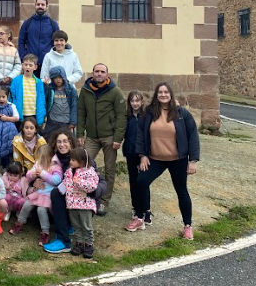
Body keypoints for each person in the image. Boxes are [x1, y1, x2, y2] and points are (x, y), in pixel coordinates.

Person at [126, 82, 200, 240]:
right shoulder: (150, 112)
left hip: (177, 159)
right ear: (156, 95)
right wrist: (142, 155)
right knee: (141, 181)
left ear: (171, 94)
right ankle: (140, 217)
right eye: (160, 92)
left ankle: (187, 225)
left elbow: (193, 136)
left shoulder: (181, 113)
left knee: (181, 191)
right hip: (155, 158)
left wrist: (193, 160)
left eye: (166, 92)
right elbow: (141, 134)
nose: (163, 95)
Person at [76, 63, 126, 215]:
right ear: (92, 73)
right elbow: (81, 112)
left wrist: (118, 138)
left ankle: (104, 201)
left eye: (102, 71)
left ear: (107, 74)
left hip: (109, 137)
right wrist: (80, 134)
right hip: (91, 136)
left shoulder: (115, 91)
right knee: (83, 165)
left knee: (110, 169)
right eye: (96, 71)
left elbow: (121, 116)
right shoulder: (86, 90)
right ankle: (85, 196)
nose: (99, 74)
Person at [9, 144, 62, 245]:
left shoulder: (55, 167)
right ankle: (20, 223)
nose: (40, 160)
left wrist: (43, 174)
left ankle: (45, 232)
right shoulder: (39, 164)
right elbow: (30, 173)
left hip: (48, 195)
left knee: (41, 210)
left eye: (42, 157)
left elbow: (56, 180)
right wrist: (31, 175)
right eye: (39, 157)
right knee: (27, 205)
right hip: (38, 193)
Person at [63, 147, 100, 259]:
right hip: (72, 203)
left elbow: (92, 186)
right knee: (76, 225)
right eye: (71, 159)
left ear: (82, 161)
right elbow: (66, 184)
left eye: (74, 160)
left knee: (86, 225)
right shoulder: (69, 171)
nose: (71, 162)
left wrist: (79, 183)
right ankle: (79, 243)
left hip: (85, 204)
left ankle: (89, 244)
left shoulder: (90, 172)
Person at [123, 90, 148, 223]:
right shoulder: (127, 117)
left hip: (143, 153)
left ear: (142, 102)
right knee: (133, 181)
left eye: (137, 100)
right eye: (132, 101)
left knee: (143, 181)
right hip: (130, 152)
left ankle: (146, 208)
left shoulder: (146, 117)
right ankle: (135, 206)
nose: (135, 103)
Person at [18, 0, 59, 71]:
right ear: (35, 6)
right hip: (31, 65)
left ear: (47, 6)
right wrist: (23, 57)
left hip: (47, 64)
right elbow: (21, 42)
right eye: (38, 4)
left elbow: (57, 43)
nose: (40, 6)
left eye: (43, 5)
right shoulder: (27, 23)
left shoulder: (53, 24)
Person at [10, 53, 46, 126]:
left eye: (30, 65)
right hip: (20, 114)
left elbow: (41, 100)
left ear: (35, 67)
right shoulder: (16, 81)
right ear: (22, 65)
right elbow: (11, 97)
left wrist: (41, 116)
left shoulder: (39, 82)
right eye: (26, 65)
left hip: (33, 114)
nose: (28, 67)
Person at [44, 66, 78, 138]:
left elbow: (74, 106)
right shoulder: (50, 89)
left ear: (64, 77)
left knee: (67, 144)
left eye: (60, 77)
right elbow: (44, 101)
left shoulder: (71, 90)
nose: (58, 80)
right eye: (55, 78)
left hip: (66, 122)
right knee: (49, 142)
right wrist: (44, 87)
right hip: (52, 122)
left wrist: (73, 123)